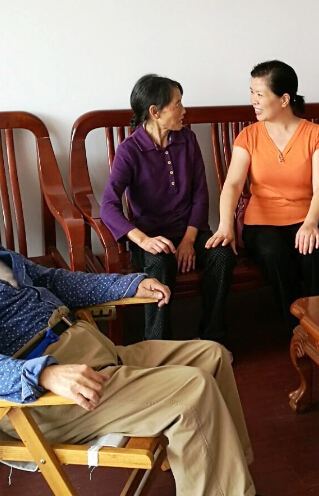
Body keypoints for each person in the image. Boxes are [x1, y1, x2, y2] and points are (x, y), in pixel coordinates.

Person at [0, 149, 276, 496]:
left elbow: (51, 280)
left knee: (211, 356)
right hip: (51, 396)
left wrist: (128, 284)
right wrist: (43, 375)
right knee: (191, 390)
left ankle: (229, 494)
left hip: (88, 350)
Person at [100, 74, 234, 343]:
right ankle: (158, 346)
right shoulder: (130, 150)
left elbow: (200, 193)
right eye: (177, 104)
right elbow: (108, 205)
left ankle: (212, 338)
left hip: (189, 233)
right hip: (152, 238)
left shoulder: (187, 140)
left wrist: (189, 240)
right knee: (159, 264)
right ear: (155, 112)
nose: (184, 111)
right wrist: (143, 240)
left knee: (222, 254)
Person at [206, 60, 319, 326]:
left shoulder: (315, 134)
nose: (254, 100)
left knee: (314, 253)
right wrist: (225, 225)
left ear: (284, 99)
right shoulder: (248, 135)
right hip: (261, 223)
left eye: (260, 94)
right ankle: (296, 329)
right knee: (273, 252)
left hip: (305, 218)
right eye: (252, 92)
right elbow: (233, 184)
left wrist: (311, 222)